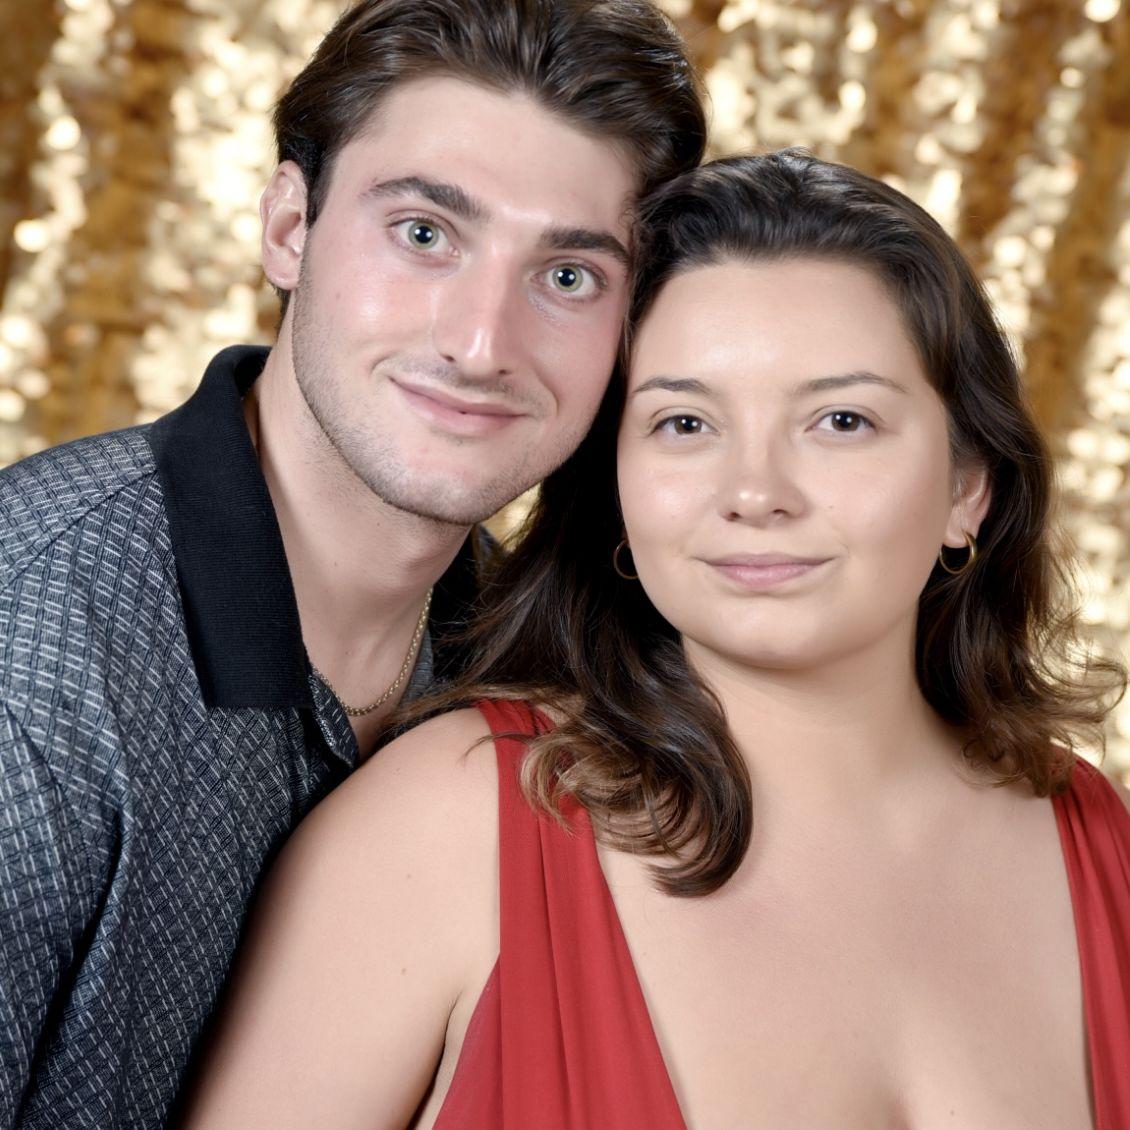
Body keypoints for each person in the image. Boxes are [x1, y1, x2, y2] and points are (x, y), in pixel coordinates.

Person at [182, 149, 1129, 1129]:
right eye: (684, 423)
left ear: (967, 486)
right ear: (617, 489)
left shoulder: (1098, 840)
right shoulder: (445, 827)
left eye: (840, 420)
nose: (754, 492)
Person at [0, 2, 706, 1125]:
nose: (480, 343)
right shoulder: (31, 653)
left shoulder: (533, 659)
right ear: (289, 227)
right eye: (424, 233)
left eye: (568, 276)